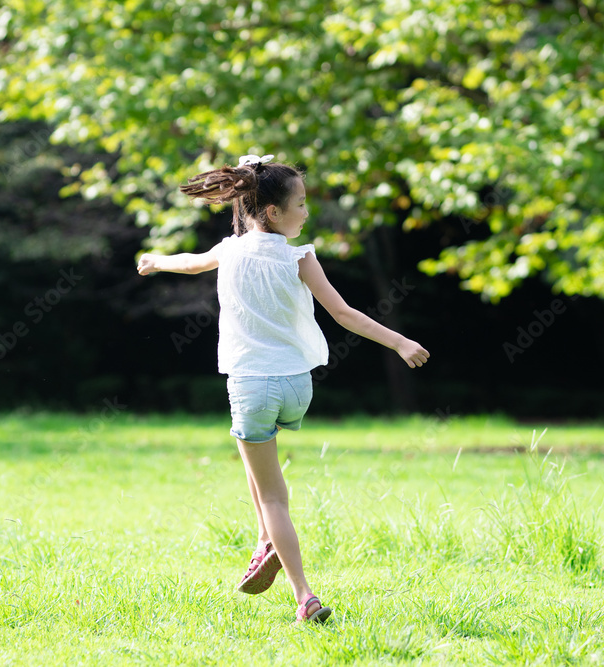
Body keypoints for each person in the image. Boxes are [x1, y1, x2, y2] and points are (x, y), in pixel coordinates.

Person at [136, 154, 430, 625]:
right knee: (258, 463)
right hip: (297, 386)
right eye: (301, 204)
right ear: (273, 211)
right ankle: (263, 541)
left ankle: (303, 595)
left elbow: (190, 265)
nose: (306, 213)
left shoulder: (230, 250)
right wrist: (399, 341)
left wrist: (155, 261)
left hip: (251, 385)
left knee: (271, 494)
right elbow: (344, 314)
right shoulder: (300, 256)